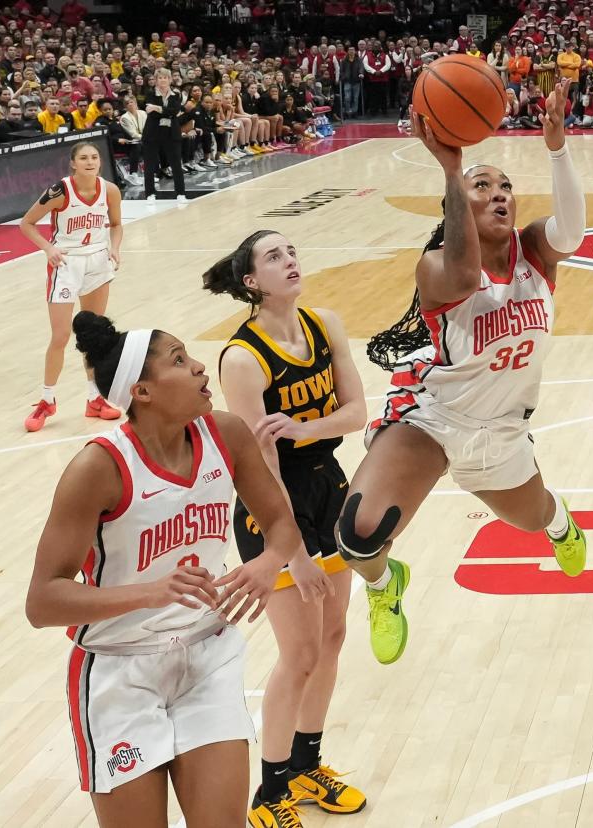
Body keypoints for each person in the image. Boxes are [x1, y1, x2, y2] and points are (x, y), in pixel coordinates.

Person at [340, 79, 588, 666]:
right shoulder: (436, 270)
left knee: (531, 518)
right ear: (460, 204)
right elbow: (462, 269)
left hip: (501, 425)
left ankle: (560, 524)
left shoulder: (535, 252)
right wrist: (451, 173)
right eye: (484, 187)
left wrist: (558, 147)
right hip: (433, 415)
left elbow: (573, 232)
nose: (500, 195)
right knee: (358, 534)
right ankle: (384, 585)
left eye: (506, 187)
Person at [25, 310, 305, 828]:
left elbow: (281, 526)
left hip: (208, 656)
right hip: (118, 666)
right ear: (143, 391)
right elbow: (42, 602)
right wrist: (149, 593)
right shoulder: (99, 468)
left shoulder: (226, 434)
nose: (201, 368)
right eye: (179, 360)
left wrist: (268, 562)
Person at [204, 230, 369, 826]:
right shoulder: (242, 357)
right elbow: (259, 462)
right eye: (274, 256)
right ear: (251, 282)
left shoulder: (326, 324)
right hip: (270, 504)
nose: (291, 260)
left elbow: (358, 412)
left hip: (327, 483)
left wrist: (302, 429)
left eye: (293, 251)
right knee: (298, 653)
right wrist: (290, 549)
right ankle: (270, 791)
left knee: (332, 639)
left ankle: (306, 765)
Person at [19, 142, 124, 431]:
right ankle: (47, 399)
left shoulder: (110, 190)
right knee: (62, 336)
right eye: (83, 158)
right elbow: (26, 223)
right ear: (73, 164)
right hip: (66, 264)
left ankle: (94, 399)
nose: (90, 162)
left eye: (94, 157)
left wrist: (115, 248)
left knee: (94, 335)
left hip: (98, 262)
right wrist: (47, 249)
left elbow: (116, 225)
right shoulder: (60, 191)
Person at [143, 68, 187, 201]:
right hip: (152, 133)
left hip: (171, 133)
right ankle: (150, 193)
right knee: (150, 165)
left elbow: (175, 111)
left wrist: (158, 108)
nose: (163, 80)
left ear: (170, 80)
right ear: (156, 81)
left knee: (176, 165)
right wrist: (165, 111)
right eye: (160, 78)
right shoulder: (150, 93)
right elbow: (153, 114)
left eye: (165, 78)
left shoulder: (176, 95)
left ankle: (180, 193)